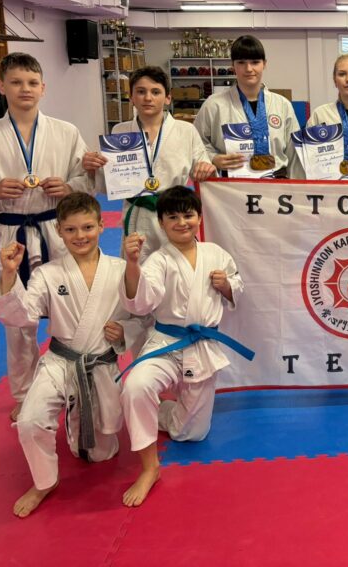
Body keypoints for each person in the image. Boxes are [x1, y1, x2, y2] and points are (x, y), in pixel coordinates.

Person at [0, 52, 92, 420]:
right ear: (2, 87)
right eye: (16, 82)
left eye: (31, 83)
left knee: (69, 310)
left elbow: (86, 178)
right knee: (17, 321)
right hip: (11, 234)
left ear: (43, 88)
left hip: (56, 231)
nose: (24, 89)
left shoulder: (66, 132)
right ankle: (26, 394)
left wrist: (69, 186)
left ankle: (73, 384)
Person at [0, 192, 133, 517]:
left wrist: (125, 332)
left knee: (100, 454)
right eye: (70, 229)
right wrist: (9, 274)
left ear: (102, 225)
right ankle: (45, 481)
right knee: (29, 420)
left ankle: (77, 424)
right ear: (59, 231)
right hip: (59, 361)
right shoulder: (47, 274)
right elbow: (23, 316)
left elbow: (141, 316)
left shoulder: (120, 269)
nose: (80, 236)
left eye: (87, 227)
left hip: (100, 364)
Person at [119, 186, 248, 507]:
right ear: (161, 223)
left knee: (191, 434)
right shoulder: (158, 260)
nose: (181, 222)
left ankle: (163, 412)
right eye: (172, 217)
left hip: (202, 346)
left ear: (199, 218)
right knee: (135, 386)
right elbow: (140, 303)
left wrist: (227, 286)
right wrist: (132, 263)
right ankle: (150, 468)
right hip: (165, 343)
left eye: (188, 215)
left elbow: (238, 285)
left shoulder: (216, 253)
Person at [82, 65, 215, 260]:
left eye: (155, 92)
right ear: (131, 97)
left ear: (168, 97)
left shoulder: (186, 131)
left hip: (174, 214)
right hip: (136, 213)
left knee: (176, 267)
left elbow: (203, 169)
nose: (148, 98)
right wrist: (93, 168)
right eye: (141, 92)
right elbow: (108, 184)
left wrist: (207, 168)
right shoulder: (120, 131)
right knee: (137, 268)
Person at [193, 35, 299, 177]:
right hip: (233, 183)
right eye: (241, 62)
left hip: (277, 182)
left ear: (264, 64)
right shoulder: (214, 105)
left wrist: (295, 185)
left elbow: (294, 152)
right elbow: (195, 143)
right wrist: (213, 158)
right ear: (233, 66)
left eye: (255, 62)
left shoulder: (282, 105)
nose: (248, 69)